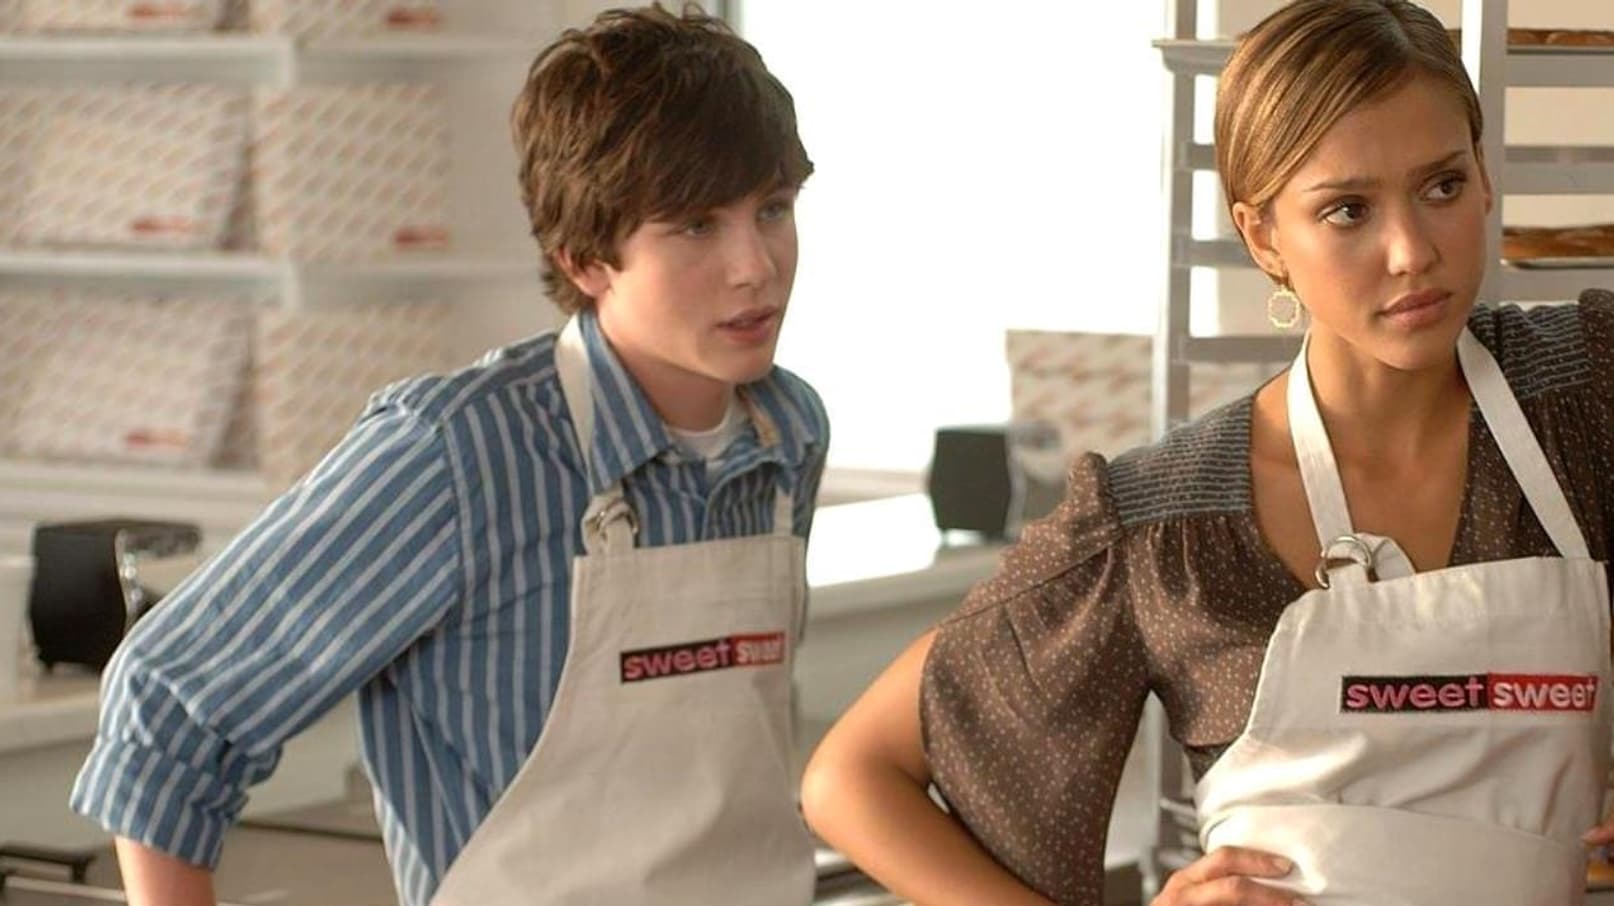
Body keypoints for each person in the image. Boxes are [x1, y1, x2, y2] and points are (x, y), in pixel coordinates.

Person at [800, 1, 1614, 904]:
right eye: (1347, 210)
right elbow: (852, 779)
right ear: (1263, 235)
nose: (1411, 251)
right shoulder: (1169, 522)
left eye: (1443, 187)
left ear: (1485, 176)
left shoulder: (1584, 395)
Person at [70, 6, 828, 906]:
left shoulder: (789, 432)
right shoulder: (461, 453)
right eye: (697, 226)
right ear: (585, 259)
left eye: (772, 209)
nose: (756, 265)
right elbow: (168, 705)